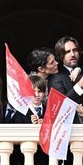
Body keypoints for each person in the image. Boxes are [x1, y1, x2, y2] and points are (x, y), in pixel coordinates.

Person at [47, 36, 83, 165]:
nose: (72, 54)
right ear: (60, 55)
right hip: (70, 139)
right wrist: (79, 86)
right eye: (67, 52)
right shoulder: (56, 77)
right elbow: (61, 105)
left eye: (75, 50)